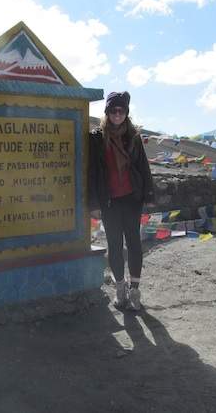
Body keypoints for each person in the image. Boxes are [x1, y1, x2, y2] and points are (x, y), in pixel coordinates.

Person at [88, 91, 154, 310]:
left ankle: (135, 289)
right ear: (107, 112)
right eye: (113, 110)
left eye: (122, 110)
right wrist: (94, 203)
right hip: (109, 201)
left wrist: (149, 195)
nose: (118, 114)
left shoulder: (133, 137)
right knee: (114, 246)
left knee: (134, 244)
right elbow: (93, 172)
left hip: (132, 198)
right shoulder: (97, 138)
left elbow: (143, 167)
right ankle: (120, 288)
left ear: (126, 113)